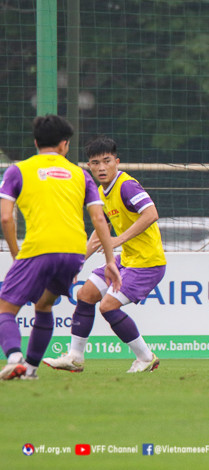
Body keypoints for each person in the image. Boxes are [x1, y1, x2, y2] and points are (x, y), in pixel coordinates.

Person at [0, 115, 121, 381]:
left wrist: (14, 254)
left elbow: (6, 217)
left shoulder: (18, 171)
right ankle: (30, 370)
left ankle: (14, 357)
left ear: (35, 142)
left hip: (38, 249)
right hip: (74, 253)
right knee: (43, 305)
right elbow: (99, 219)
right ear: (64, 145)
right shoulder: (80, 174)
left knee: (5, 310)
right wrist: (110, 261)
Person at [43, 137, 166, 374]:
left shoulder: (126, 186)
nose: (101, 167)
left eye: (107, 161)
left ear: (116, 162)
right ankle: (75, 357)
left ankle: (145, 357)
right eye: (95, 162)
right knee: (85, 294)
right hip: (128, 259)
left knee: (108, 307)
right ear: (89, 166)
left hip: (148, 263)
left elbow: (151, 213)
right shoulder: (101, 191)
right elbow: (100, 234)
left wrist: (119, 240)